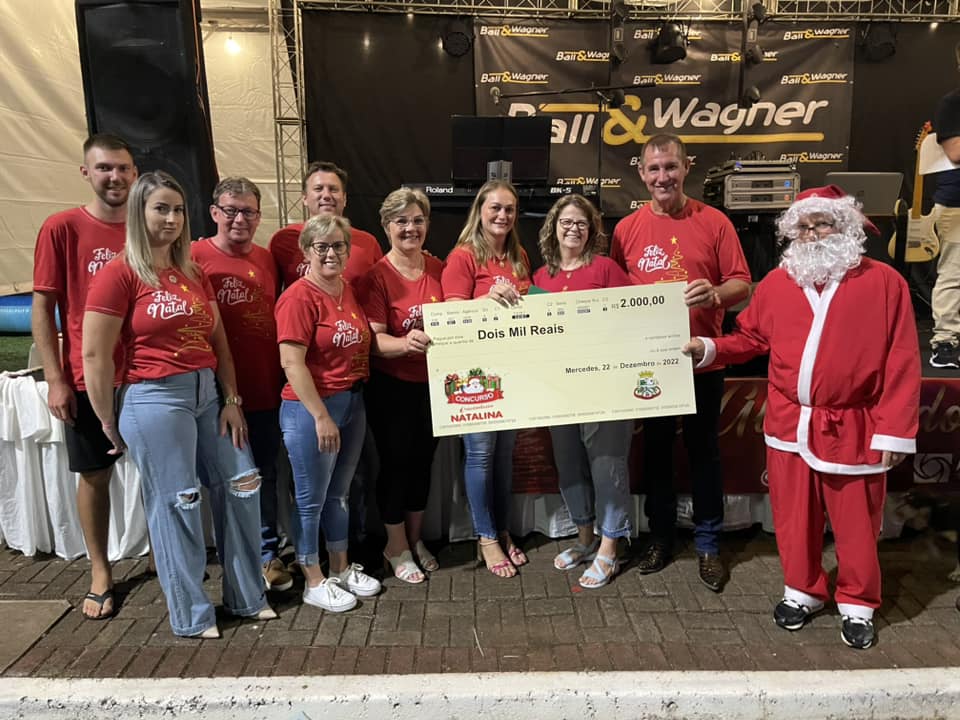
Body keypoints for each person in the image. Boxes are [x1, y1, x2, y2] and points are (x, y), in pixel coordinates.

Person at [683, 185, 920, 649]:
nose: (811, 235)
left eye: (822, 224)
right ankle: (803, 590)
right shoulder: (777, 283)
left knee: (856, 523)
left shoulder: (885, 283)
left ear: (845, 227)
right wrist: (710, 348)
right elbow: (752, 339)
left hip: (856, 425)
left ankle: (857, 602)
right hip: (790, 423)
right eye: (803, 227)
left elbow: (903, 359)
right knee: (794, 518)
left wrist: (894, 430)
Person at [82, 171, 272, 638]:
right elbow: (95, 354)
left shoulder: (191, 271)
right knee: (179, 502)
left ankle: (247, 597)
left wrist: (230, 397)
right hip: (155, 396)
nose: (171, 219)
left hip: (207, 392)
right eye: (160, 209)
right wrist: (106, 417)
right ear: (139, 212)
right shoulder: (119, 274)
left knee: (243, 484)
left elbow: (218, 340)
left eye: (178, 210)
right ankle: (192, 615)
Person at [611, 133, 751, 592]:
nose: (662, 176)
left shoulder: (715, 222)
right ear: (641, 173)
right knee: (655, 453)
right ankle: (661, 538)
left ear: (687, 167)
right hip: (649, 365)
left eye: (670, 166)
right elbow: (613, 292)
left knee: (703, 453)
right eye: (654, 169)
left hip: (702, 361)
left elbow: (742, 283)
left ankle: (709, 543)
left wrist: (715, 293)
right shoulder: (626, 229)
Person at [31, 133, 138, 620]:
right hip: (88, 377)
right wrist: (56, 378)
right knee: (94, 475)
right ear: (86, 173)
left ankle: (166, 558)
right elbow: (44, 306)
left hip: (146, 375)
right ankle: (100, 571)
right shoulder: (63, 227)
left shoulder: (147, 226)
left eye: (122, 168)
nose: (114, 177)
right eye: (104, 168)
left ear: (134, 173)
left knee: (159, 475)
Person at [275, 213, 381, 611]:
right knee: (310, 499)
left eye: (338, 245)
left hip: (352, 402)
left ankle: (339, 567)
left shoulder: (346, 290)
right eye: (322, 246)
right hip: (312, 410)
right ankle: (313, 578)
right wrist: (320, 416)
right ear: (306, 251)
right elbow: (292, 363)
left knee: (338, 495)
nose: (331, 253)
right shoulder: (298, 297)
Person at [191, 177, 291, 593]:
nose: (239, 219)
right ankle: (230, 559)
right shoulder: (193, 255)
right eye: (230, 210)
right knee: (224, 477)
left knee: (264, 473)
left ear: (259, 216)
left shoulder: (267, 259)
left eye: (248, 211)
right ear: (214, 212)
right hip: (214, 392)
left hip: (264, 386)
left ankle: (266, 555)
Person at [533, 195, 633, 588]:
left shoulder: (606, 269)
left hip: (604, 387)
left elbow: (631, 319)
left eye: (581, 223)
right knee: (569, 463)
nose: (573, 229)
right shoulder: (541, 277)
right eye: (566, 222)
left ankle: (610, 546)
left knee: (607, 465)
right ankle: (585, 537)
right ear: (553, 228)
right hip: (559, 389)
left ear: (591, 231)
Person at [441, 179, 531, 578]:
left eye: (509, 209)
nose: (502, 216)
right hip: (474, 373)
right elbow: (450, 315)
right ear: (479, 211)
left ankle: (503, 529)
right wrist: (484, 301)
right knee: (479, 453)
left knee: (504, 455)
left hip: (512, 369)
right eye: (495, 208)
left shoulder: (518, 256)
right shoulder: (462, 257)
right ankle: (486, 537)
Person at [357, 188, 444, 584]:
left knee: (423, 463)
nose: (411, 228)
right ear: (386, 226)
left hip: (434, 387)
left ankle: (414, 539)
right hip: (392, 387)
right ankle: (395, 547)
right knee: (396, 465)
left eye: (418, 220)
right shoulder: (376, 277)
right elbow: (373, 341)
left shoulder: (439, 267)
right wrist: (405, 343)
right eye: (401, 221)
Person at [269, 161, 383, 288]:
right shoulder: (283, 240)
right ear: (304, 198)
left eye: (333, 189)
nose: (327, 195)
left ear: (345, 198)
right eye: (318, 189)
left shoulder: (368, 244)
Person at [929, 45, 960, 370]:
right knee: (953, 273)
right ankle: (945, 342)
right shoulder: (952, 103)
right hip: (956, 203)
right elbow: (955, 151)